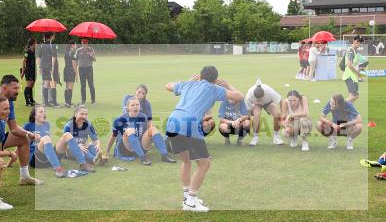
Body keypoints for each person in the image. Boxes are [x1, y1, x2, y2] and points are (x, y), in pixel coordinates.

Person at [166, 67, 244, 212]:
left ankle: (186, 196)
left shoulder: (188, 84)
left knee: (186, 160)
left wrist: (188, 81)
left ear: (200, 76)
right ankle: (190, 201)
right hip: (189, 124)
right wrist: (226, 85)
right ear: (215, 80)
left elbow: (168, 85)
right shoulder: (214, 88)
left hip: (172, 122)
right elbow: (239, 96)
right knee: (204, 164)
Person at [103, 97, 175, 165]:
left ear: (140, 106)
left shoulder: (143, 116)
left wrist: (158, 140)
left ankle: (164, 155)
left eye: (137, 104)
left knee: (153, 129)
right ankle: (143, 158)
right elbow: (113, 136)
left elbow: (147, 134)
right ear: (128, 108)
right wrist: (107, 152)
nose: (135, 107)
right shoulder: (120, 119)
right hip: (125, 149)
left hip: (140, 146)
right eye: (132, 105)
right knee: (130, 130)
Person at [55, 104, 101, 173]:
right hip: (70, 150)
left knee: (91, 147)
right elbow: (65, 143)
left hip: (84, 146)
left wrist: (97, 145)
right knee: (82, 149)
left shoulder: (88, 124)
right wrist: (77, 146)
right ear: (75, 114)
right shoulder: (69, 125)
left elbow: (95, 139)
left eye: (86, 114)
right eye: (82, 114)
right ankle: (94, 159)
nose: (84, 116)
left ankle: (99, 157)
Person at [24, 105, 66, 177]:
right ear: (34, 116)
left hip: (47, 158)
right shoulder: (28, 125)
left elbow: (48, 144)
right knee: (46, 138)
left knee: (65, 136)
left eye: (44, 112)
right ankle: (57, 168)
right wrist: (32, 138)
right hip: (35, 159)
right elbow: (22, 144)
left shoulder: (47, 124)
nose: (44, 113)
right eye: (41, 112)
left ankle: (83, 160)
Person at [245, 81, 283, 146]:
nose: (260, 102)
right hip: (256, 105)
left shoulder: (269, 91)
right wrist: (248, 121)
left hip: (268, 102)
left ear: (264, 94)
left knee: (277, 113)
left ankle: (276, 137)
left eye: (261, 100)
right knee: (256, 114)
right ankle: (255, 137)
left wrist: (283, 117)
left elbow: (281, 100)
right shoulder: (249, 96)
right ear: (254, 97)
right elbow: (248, 111)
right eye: (258, 100)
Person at [37, 33, 60, 107]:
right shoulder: (52, 45)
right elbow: (54, 57)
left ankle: (46, 103)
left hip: (44, 67)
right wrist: (53, 67)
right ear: (50, 37)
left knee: (46, 84)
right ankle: (54, 102)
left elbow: (38, 57)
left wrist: (40, 67)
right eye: (53, 35)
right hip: (50, 66)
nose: (54, 37)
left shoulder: (41, 45)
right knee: (53, 84)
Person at [342, 36, 368, 102]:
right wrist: (358, 73)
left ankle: (349, 111)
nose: (358, 43)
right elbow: (350, 65)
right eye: (357, 41)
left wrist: (360, 73)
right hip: (349, 76)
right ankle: (339, 106)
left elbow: (355, 65)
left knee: (351, 97)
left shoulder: (354, 51)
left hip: (353, 76)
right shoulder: (351, 50)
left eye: (360, 42)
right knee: (355, 96)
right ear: (354, 40)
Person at [76, 38, 97, 104]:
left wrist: (91, 56)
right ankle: (83, 100)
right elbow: (76, 60)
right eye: (83, 43)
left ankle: (93, 100)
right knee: (83, 85)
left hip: (89, 68)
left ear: (87, 43)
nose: (84, 44)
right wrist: (76, 69)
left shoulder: (91, 49)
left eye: (85, 43)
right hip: (81, 69)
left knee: (91, 84)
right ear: (81, 43)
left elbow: (95, 59)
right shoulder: (78, 50)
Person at [20, 37, 37, 107]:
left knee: (31, 86)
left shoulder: (35, 51)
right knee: (28, 86)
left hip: (34, 70)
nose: (37, 44)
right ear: (33, 43)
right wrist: (23, 72)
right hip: (29, 71)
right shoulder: (27, 51)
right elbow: (24, 62)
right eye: (36, 43)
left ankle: (32, 100)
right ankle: (27, 102)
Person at [63, 42, 78, 107]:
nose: (76, 46)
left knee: (67, 87)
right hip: (71, 71)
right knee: (70, 87)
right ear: (72, 45)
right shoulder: (72, 53)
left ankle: (66, 102)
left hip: (66, 70)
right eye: (75, 45)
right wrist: (76, 73)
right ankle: (69, 103)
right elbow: (73, 63)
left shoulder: (66, 52)